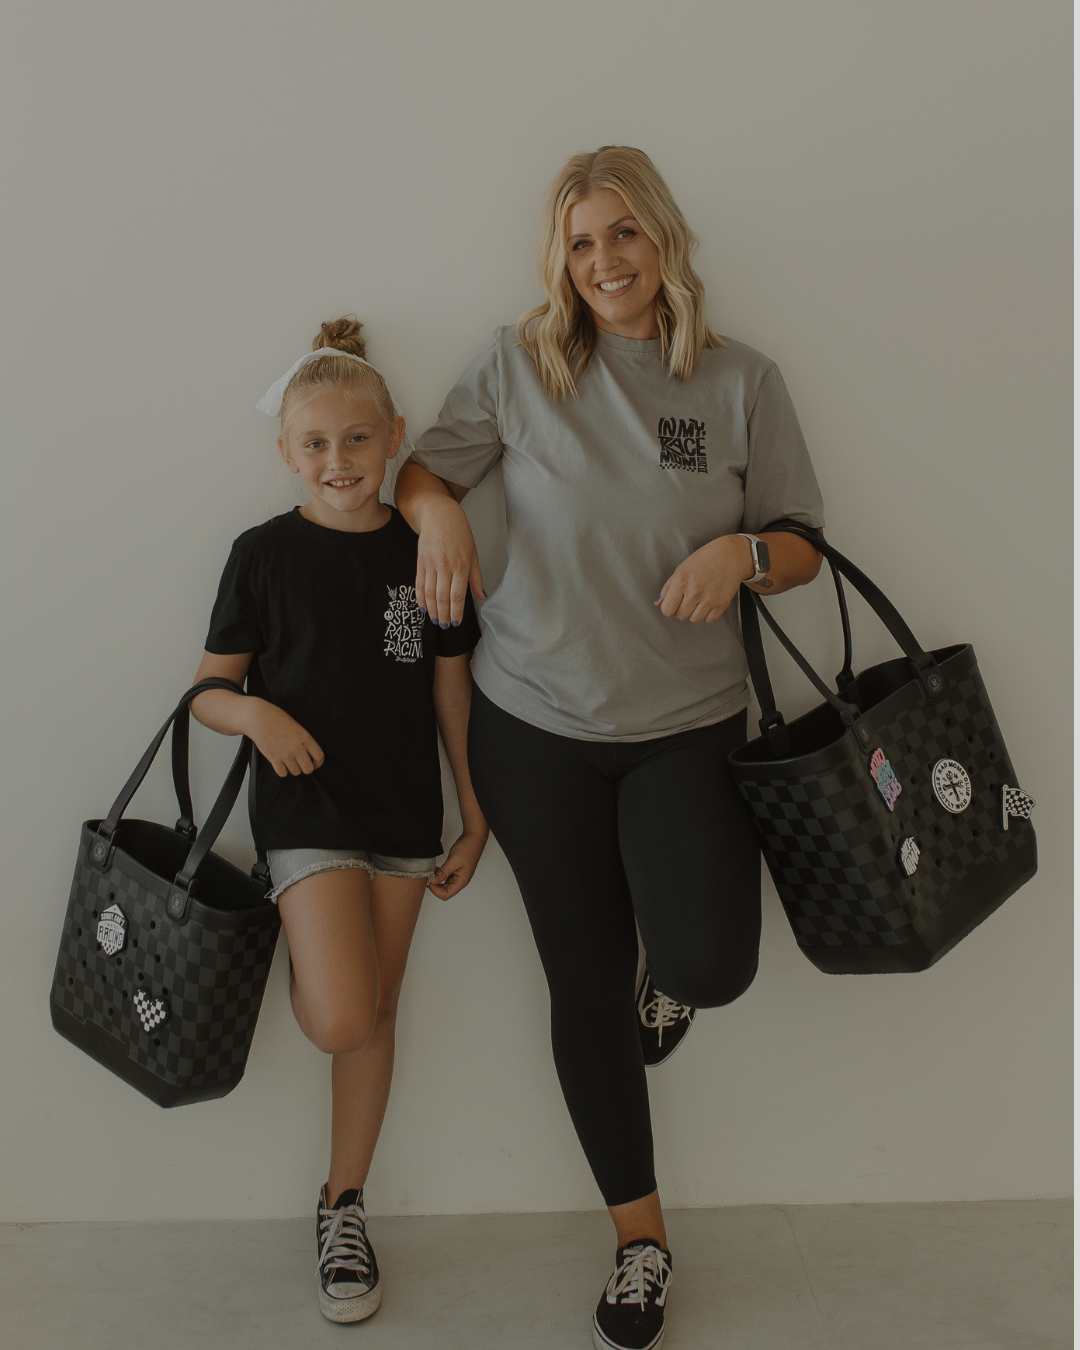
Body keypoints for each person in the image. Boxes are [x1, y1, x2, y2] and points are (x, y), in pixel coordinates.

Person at [395, 147, 825, 1350]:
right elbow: (429, 468)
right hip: (533, 727)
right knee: (579, 988)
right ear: (560, 259)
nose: (603, 266)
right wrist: (432, 509)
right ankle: (641, 1243)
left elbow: (800, 540)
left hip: (686, 728)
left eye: (622, 236)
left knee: (714, 962)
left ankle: (668, 985)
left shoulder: (740, 382)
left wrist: (740, 556)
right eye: (581, 245)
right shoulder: (521, 362)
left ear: (664, 240)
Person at [189, 318, 488, 1324]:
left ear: (394, 437)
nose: (338, 461)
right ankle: (301, 945)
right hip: (305, 815)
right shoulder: (261, 556)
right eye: (315, 444)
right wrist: (259, 714)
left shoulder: (424, 550)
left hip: (404, 814)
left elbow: (454, 689)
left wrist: (474, 810)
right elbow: (205, 696)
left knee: (377, 1019)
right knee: (343, 1016)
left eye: (358, 440)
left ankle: (342, 1204)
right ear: (286, 455)